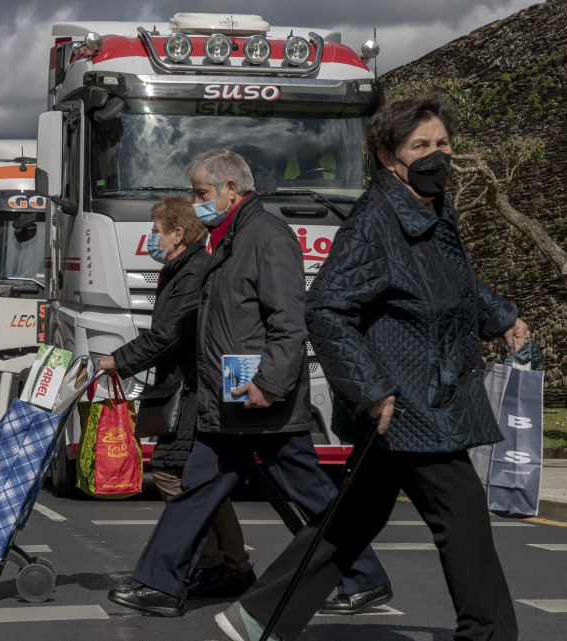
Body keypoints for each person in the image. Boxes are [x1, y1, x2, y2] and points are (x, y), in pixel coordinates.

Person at [215, 94, 520, 641]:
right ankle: (489, 634)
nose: (436, 155)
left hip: (423, 396)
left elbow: (454, 283)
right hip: (407, 400)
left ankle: (257, 614)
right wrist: (373, 390)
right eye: (419, 146)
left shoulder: (433, 207)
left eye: (442, 143)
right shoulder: (376, 222)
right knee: (465, 514)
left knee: (354, 519)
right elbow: (327, 309)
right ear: (387, 156)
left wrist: (500, 317)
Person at [107, 149, 390, 618]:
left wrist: (268, 383)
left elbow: (288, 321)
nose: (196, 203)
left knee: (311, 494)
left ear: (230, 190)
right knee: (197, 491)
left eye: (201, 193)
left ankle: (365, 577)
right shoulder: (232, 238)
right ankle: (159, 583)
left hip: (261, 401)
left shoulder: (267, 237)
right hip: (231, 400)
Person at [97, 197, 255, 598]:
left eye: (156, 230)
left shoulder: (192, 271)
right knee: (204, 480)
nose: (152, 238)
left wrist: (118, 360)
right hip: (188, 384)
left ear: (177, 234)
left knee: (172, 472)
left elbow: (169, 333)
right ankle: (234, 568)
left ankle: (210, 564)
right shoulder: (180, 268)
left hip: (193, 386)